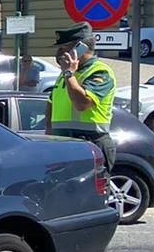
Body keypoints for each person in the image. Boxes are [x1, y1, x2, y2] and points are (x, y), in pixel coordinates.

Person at [47, 25, 117, 167]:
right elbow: (50, 104)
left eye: (64, 47)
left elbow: (82, 104)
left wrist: (69, 74)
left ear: (81, 47)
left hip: (90, 144)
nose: (59, 52)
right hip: (63, 144)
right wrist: (49, 136)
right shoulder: (65, 74)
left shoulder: (100, 72)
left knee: (89, 189)